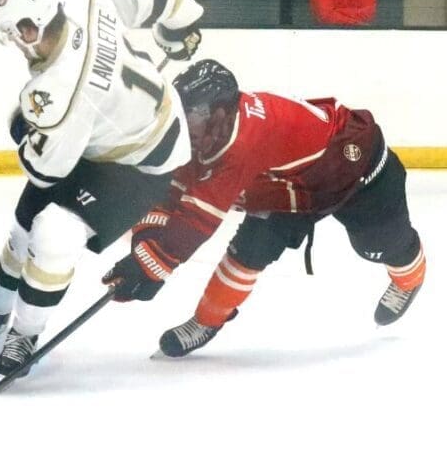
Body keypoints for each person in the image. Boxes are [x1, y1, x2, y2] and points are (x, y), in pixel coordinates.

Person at [0, 0, 205, 376]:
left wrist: (23, 129)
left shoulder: (56, 94)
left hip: (142, 165)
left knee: (52, 235)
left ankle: (24, 333)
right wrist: (177, 32)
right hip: (111, 133)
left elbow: (45, 171)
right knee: (23, 226)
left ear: (32, 27)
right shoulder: (84, 0)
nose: (14, 42)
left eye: (15, 32)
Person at [100, 59, 425, 357]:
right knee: (247, 252)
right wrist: (144, 246)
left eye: (196, 114)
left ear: (222, 113)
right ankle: (206, 320)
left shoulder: (245, 141)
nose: (187, 121)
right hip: (287, 189)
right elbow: (170, 192)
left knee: (377, 248)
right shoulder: (206, 132)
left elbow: (195, 222)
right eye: (185, 111)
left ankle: (410, 279)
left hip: (355, 169)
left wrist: (146, 267)